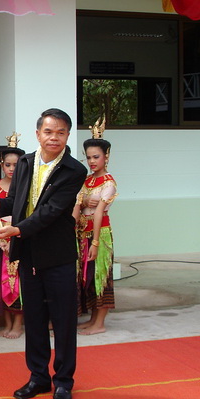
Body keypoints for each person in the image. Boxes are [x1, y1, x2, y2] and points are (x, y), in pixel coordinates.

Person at [0, 108, 87, 399]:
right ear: (38, 134)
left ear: (68, 135)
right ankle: (38, 377)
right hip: (28, 252)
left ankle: (63, 382)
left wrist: (17, 230)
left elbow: (51, 211)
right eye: (48, 131)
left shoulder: (74, 170)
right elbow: (16, 200)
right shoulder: (26, 162)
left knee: (63, 321)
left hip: (57, 254)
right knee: (33, 318)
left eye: (60, 132)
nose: (53, 137)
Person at [73, 118, 117, 335]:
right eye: (89, 157)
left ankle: (99, 323)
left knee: (101, 276)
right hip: (83, 233)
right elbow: (78, 205)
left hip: (99, 234)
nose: (91, 161)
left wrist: (96, 242)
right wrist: (82, 204)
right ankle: (92, 319)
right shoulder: (87, 181)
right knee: (87, 277)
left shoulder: (109, 182)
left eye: (96, 157)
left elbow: (99, 212)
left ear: (106, 156)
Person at [0, 133, 25, 339]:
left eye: (16, 165)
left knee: (18, 283)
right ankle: (7, 322)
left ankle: (18, 323)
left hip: (19, 240)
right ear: (1, 165)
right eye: (7, 164)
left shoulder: (25, 188)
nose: (11, 169)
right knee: (2, 282)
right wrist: (0, 241)